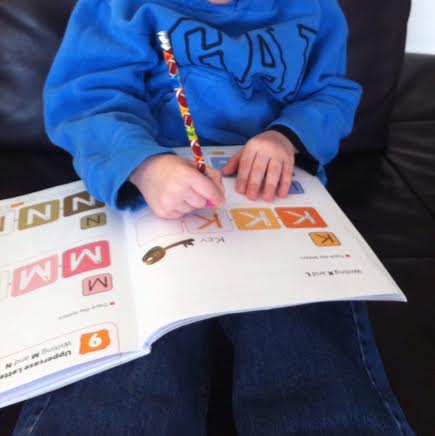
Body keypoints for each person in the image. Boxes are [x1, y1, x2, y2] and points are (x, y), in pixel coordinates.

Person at [13, 0, 415, 434]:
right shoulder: (118, 7)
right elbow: (86, 100)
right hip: (148, 202)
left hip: (273, 206)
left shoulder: (315, 9)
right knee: (130, 370)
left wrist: (287, 136)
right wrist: (144, 166)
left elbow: (331, 93)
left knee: (304, 347)